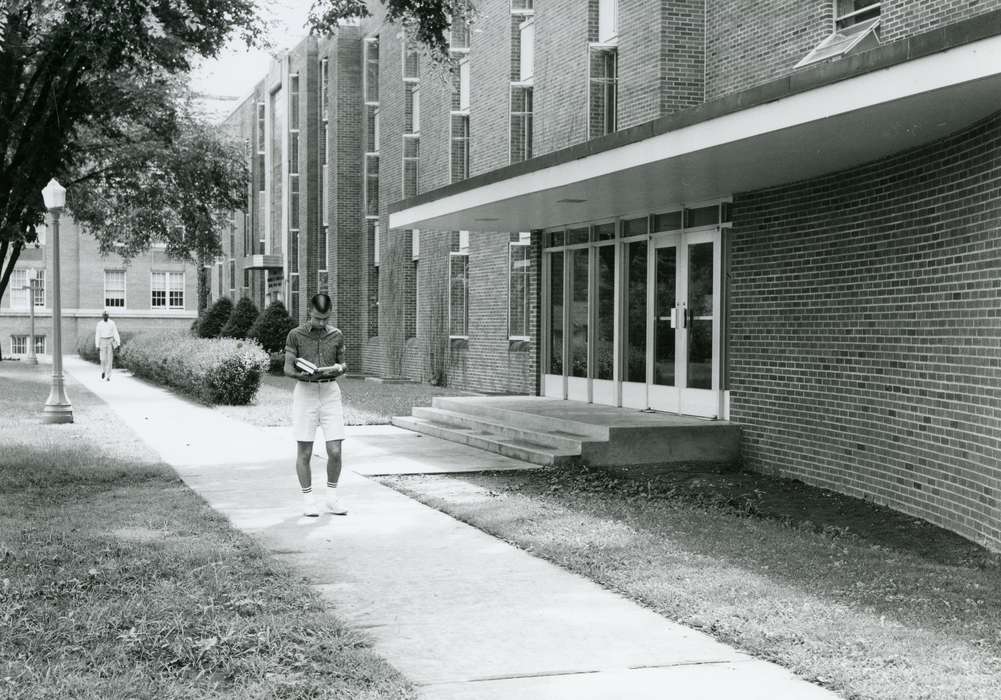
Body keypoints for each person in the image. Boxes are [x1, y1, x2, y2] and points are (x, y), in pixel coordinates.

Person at [284, 293, 348, 517]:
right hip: (305, 393)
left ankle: (332, 498)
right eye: (317, 318)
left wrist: (339, 368)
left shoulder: (337, 335)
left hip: (330, 392)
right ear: (309, 313)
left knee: (335, 450)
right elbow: (288, 368)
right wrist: (302, 375)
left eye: (325, 319)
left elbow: (343, 363)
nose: (321, 323)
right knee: (305, 451)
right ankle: (308, 500)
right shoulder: (295, 335)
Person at [94, 311, 121, 381]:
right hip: (102, 341)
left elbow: (115, 333)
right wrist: (97, 345)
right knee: (102, 358)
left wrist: (118, 343)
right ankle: (103, 371)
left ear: (108, 316)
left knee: (109, 359)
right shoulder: (99, 324)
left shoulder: (112, 323)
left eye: (106, 315)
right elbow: (97, 335)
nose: (105, 316)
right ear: (102, 316)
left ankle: (108, 376)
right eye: (104, 315)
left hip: (110, 340)